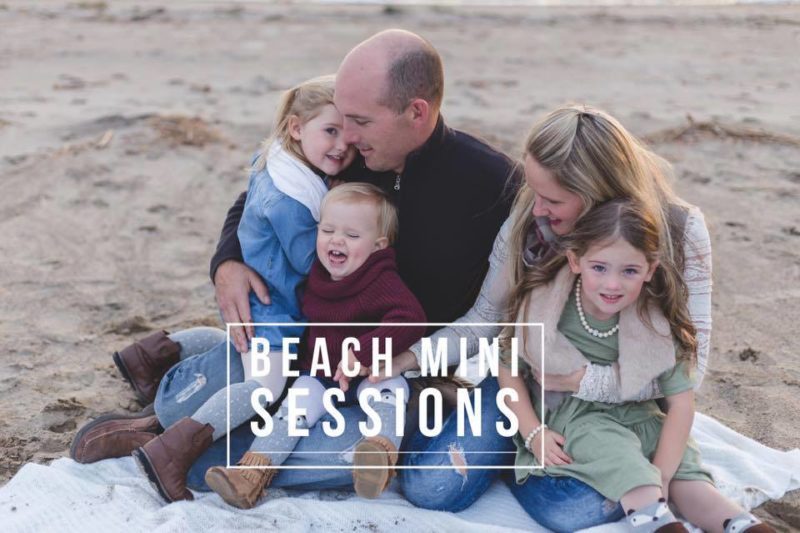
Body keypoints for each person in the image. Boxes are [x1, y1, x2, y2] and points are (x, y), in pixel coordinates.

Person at [71, 29, 518, 499]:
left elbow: (490, 317)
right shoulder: (352, 155)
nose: (346, 136)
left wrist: (407, 360)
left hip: (390, 371)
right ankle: (162, 422)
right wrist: (227, 262)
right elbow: (259, 195)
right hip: (309, 340)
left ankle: (176, 443)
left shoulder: (492, 185)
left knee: (339, 451)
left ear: (416, 112)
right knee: (248, 375)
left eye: (360, 121)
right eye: (342, 120)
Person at [392, 104, 714, 530]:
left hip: (620, 411)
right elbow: (487, 319)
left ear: (598, 191)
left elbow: (695, 365)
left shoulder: (680, 229)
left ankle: (521, 459)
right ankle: (499, 439)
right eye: (534, 190)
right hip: (527, 387)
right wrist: (407, 359)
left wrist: (588, 383)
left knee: (574, 511)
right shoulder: (527, 223)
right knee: (431, 489)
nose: (538, 208)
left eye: (553, 199)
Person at [71, 74, 355, 471]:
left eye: (350, 136)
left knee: (236, 344)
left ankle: (150, 353)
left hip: (264, 295)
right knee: (264, 387)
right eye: (331, 131)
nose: (343, 145)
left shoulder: (279, 160)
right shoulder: (294, 199)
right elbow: (312, 262)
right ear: (296, 126)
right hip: (276, 306)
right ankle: (172, 448)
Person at [498, 199, 769, 533]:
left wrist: (664, 474)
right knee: (626, 466)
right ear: (575, 260)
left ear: (650, 269)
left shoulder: (653, 320)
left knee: (691, 482)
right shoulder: (547, 306)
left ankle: (742, 525)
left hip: (644, 417)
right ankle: (657, 524)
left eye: (629, 271)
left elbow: (681, 404)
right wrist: (533, 431)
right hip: (585, 421)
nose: (613, 285)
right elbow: (508, 366)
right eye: (599, 268)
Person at [202, 183, 425, 508]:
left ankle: (379, 452)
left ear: (379, 246)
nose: (336, 240)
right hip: (320, 373)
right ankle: (250, 476)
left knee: (387, 394)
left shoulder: (381, 279)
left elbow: (411, 318)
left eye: (351, 235)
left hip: (371, 369)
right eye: (328, 229)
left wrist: (364, 353)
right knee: (291, 413)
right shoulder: (317, 275)